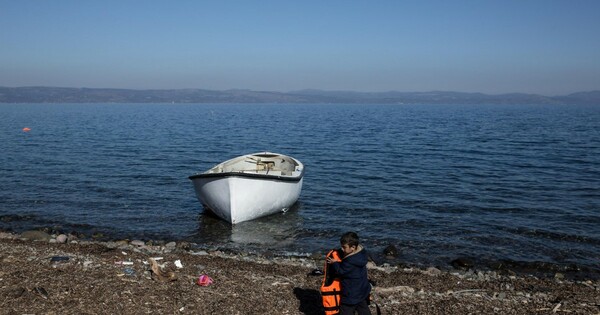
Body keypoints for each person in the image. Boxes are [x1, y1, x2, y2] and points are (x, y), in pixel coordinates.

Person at [326, 232, 372, 315]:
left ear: (353, 247)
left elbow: (340, 271)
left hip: (351, 294)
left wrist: (335, 263)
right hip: (362, 290)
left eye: (344, 247)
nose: (342, 249)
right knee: (363, 309)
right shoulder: (362, 253)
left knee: (346, 311)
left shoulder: (349, 262)